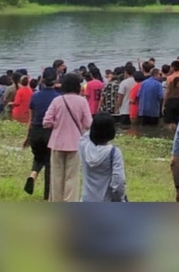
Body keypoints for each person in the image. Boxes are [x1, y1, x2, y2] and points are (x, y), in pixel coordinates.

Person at [43, 73, 93, 202]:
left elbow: (46, 122)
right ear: (77, 86)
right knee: (72, 177)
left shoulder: (57, 100)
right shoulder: (82, 101)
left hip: (57, 142)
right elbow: (89, 124)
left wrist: (57, 124)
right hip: (75, 143)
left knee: (56, 176)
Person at [23, 68, 59, 200]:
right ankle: (47, 196)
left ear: (42, 80)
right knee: (49, 163)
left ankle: (33, 175)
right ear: (55, 80)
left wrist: (27, 137)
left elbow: (31, 119)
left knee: (38, 158)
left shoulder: (35, 96)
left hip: (35, 132)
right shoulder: (58, 97)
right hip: (49, 133)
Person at [78, 113, 127, 202]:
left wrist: (96, 123)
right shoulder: (114, 152)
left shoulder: (83, 146)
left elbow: (85, 135)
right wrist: (120, 199)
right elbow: (118, 182)